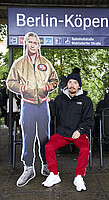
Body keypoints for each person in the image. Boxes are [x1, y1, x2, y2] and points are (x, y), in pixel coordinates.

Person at [6, 32, 58, 187]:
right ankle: (28, 168)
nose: (33, 45)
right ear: (26, 44)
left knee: (44, 137)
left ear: (39, 45)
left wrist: (48, 87)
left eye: (35, 42)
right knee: (28, 137)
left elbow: (55, 80)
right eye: (30, 42)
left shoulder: (46, 63)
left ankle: (45, 166)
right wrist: (22, 88)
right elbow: (10, 82)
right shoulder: (19, 63)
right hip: (27, 105)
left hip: (43, 104)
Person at [42, 73, 94, 191]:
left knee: (85, 149)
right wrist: (49, 103)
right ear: (67, 85)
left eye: (75, 83)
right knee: (49, 147)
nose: (72, 85)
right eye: (70, 82)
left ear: (79, 86)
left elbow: (90, 120)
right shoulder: (60, 99)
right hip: (63, 133)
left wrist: (80, 131)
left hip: (78, 134)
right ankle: (54, 174)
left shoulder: (86, 101)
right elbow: (54, 113)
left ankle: (79, 176)